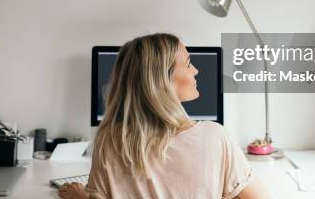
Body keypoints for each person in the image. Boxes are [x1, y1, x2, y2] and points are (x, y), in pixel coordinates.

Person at [59, 33, 269, 199]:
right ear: (162, 80)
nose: (196, 70)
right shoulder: (214, 137)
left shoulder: (109, 140)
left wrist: (80, 196)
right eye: (188, 64)